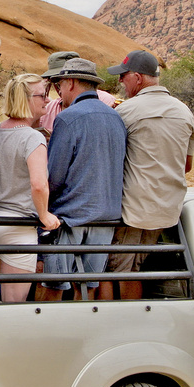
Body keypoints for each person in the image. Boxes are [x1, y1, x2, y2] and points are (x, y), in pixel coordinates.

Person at [107, 50, 194, 300]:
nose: (120, 82)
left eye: (123, 77)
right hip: (167, 210)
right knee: (136, 267)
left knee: (119, 270)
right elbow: (186, 165)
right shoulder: (184, 111)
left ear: (137, 77)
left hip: (134, 209)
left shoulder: (126, 111)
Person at [40, 57, 126, 301]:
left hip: (71, 217)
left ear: (71, 83)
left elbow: (54, 176)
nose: (59, 91)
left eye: (60, 84)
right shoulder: (115, 118)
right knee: (87, 288)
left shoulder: (68, 118)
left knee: (54, 286)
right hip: (106, 217)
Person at [0, 73, 60, 302]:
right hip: (17, 227)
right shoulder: (31, 138)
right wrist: (45, 215)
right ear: (26, 99)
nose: (47, 100)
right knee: (13, 302)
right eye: (43, 95)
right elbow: (38, 184)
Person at [39, 50, 118, 135]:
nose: (59, 89)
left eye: (61, 82)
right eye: (55, 81)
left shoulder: (106, 100)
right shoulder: (50, 108)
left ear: (71, 82)